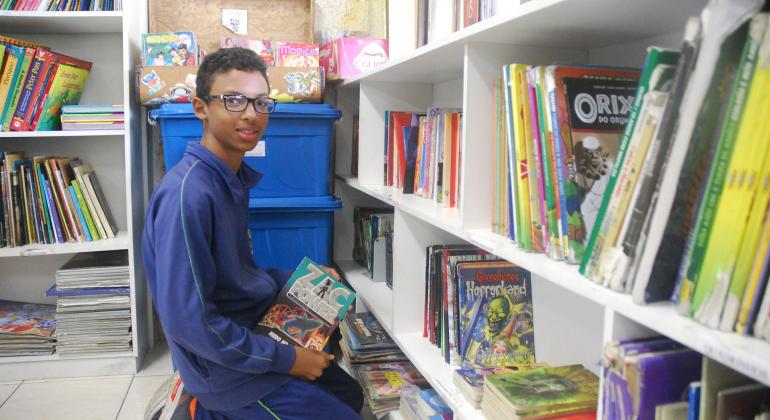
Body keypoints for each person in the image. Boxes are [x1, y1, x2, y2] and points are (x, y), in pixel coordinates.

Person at [142, 47, 363, 420]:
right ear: (200, 108)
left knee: (350, 396)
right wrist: (290, 360)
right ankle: (202, 411)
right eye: (233, 100)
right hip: (229, 375)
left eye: (261, 102)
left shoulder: (228, 180)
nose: (250, 114)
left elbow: (236, 279)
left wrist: (302, 282)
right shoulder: (189, 195)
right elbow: (189, 322)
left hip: (253, 337)